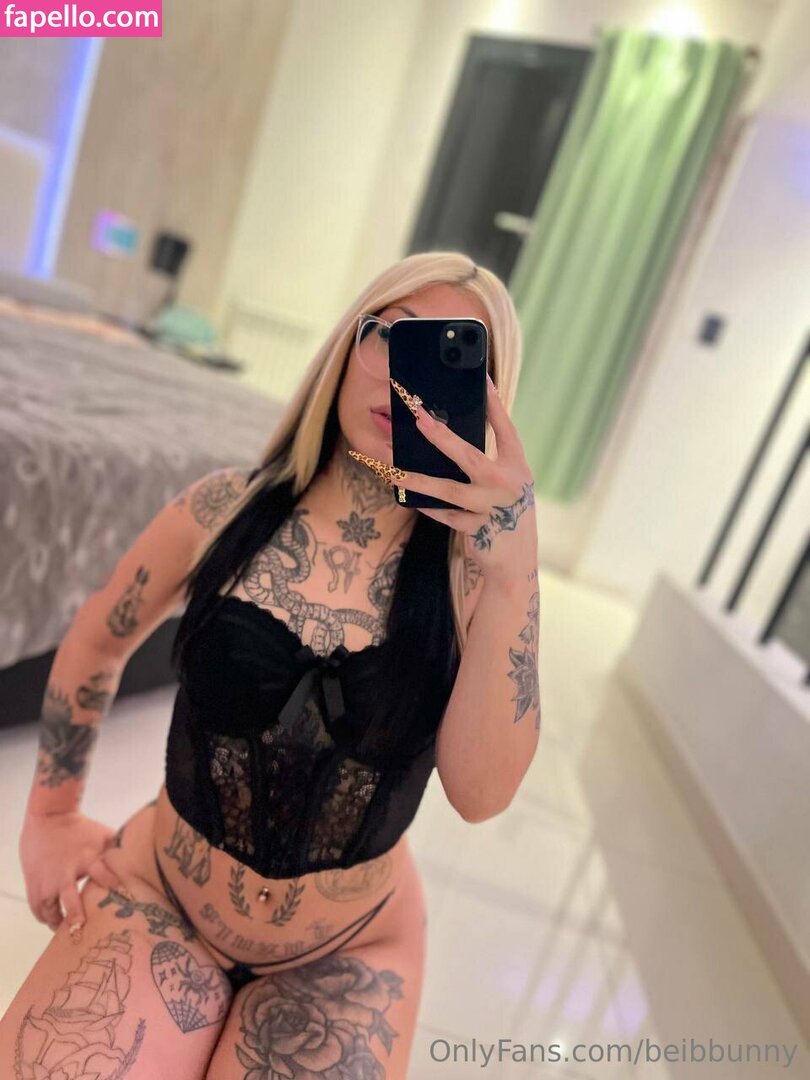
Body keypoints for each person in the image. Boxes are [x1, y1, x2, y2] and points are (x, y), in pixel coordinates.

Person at [0, 251, 541, 1079]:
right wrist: (50, 814)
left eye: (444, 353)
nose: (403, 376)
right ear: (346, 345)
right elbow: (99, 637)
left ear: (487, 399)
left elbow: (481, 794)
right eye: (389, 335)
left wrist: (512, 576)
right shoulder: (223, 507)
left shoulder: (481, 579)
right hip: (159, 894)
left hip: (349, 951)